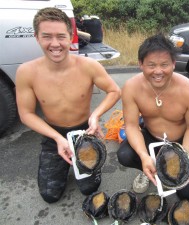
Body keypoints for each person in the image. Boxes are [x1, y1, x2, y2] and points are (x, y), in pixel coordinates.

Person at [15, 7, 121, 203]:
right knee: (50, 195)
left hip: (84, 132)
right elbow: (26, 114)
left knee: (90, 189)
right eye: (47, 36)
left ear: (70, 36)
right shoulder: (26, 72)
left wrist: (95, 116)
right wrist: (56, 137)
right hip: (52, 133)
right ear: (37, 37)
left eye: (61, 36)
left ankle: (80, 166)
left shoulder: (89, 66)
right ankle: (62, 162)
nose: (55, 44)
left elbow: (115, 91)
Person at [117, 34, 189, 201]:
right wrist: (143, 155)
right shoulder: (131, 88)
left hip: (179, 143)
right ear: (140, 64)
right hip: (150, 136)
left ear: (173, 64)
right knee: (125, 154)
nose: (158, 71)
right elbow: (132, 126)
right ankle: (148, 167)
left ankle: (185, 166)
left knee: (188, 195)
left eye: (164, 65)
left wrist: (185, 155)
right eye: (151, 65)